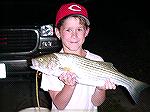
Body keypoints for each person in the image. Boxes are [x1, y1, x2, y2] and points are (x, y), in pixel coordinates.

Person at [41, 2, 116, 112]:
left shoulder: (97, 60)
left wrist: (100, 89)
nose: (74, 35)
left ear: (86, 32)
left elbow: (96, 102)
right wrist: (69, 86)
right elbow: (59, 105)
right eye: (68, 30)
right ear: (58, 32)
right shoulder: (51, 66)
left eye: (79, 29)